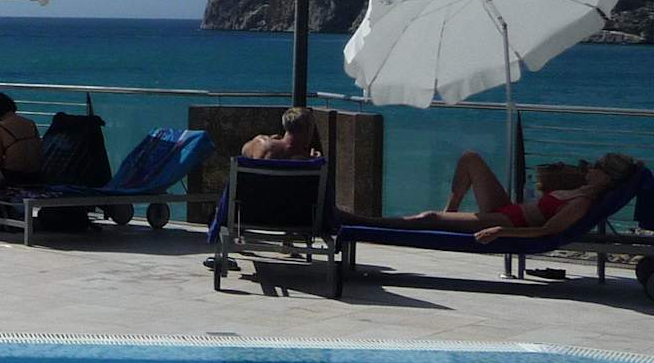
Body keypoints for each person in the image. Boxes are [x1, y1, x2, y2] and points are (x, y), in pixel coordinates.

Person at [376, 150, 637, 244]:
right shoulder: (579, 189)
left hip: (508, 221)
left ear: (608, 178)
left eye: (598, 167)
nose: (591, 168)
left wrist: (501, 231)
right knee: (470, 158)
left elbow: (546, 231)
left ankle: (367, 222)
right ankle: (450, 215)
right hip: (507, 209)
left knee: (428, 217)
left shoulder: (581, 203)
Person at [243, 107, 322, 161]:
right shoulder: (305, 160)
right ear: (307, 130)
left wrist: (260, 139)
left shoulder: (263, 145)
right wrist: (314, 160)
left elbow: (244, 151)